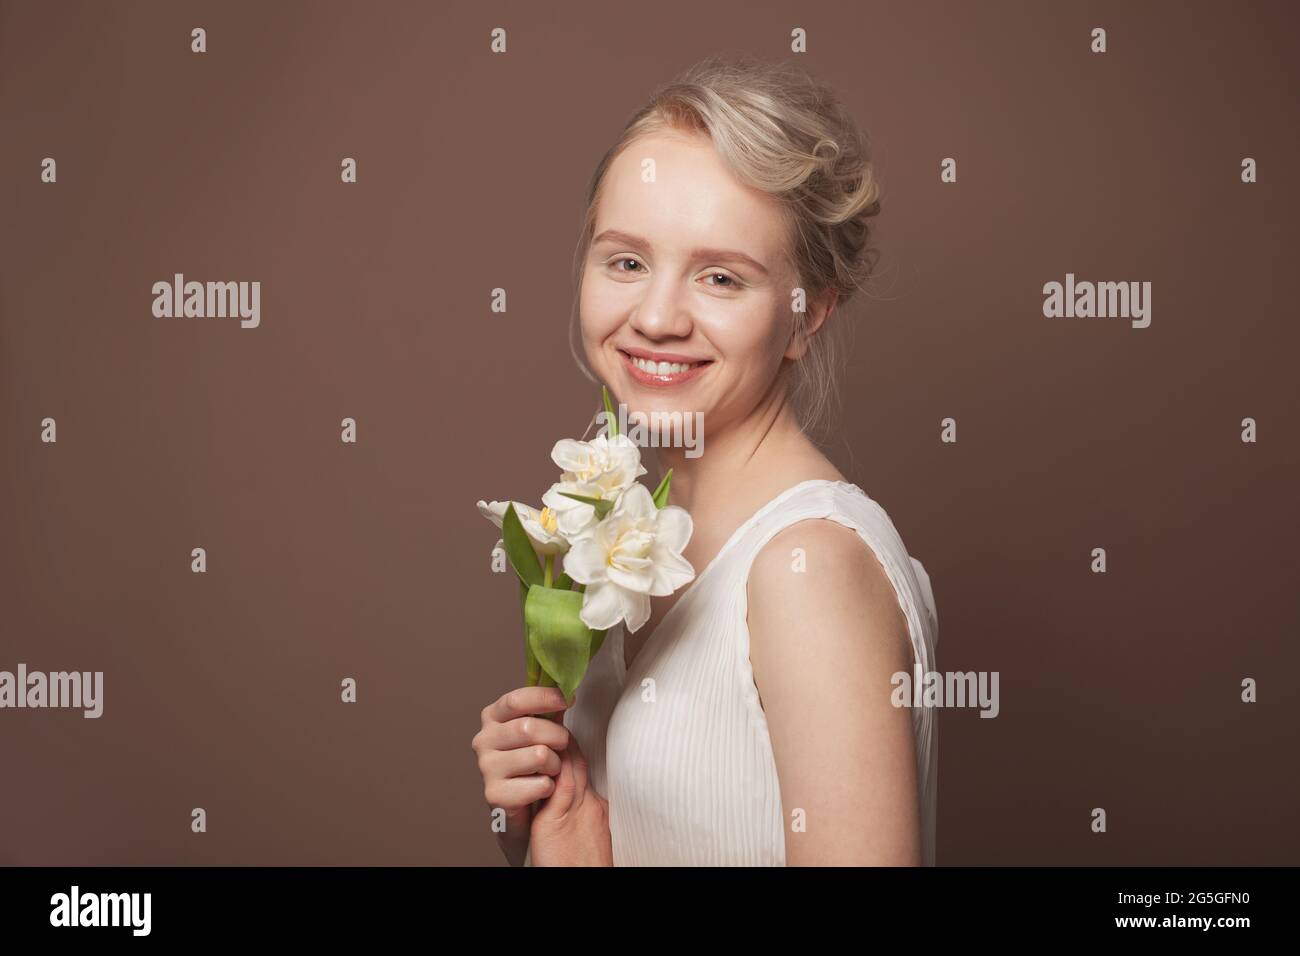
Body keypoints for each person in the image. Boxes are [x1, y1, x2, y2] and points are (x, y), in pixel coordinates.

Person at [471, 52, 938, 866]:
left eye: (721, 278)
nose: (655, 316)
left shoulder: (808, 568)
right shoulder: (629, 543)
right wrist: (550, 830)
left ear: (805, 316)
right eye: (626, 261)